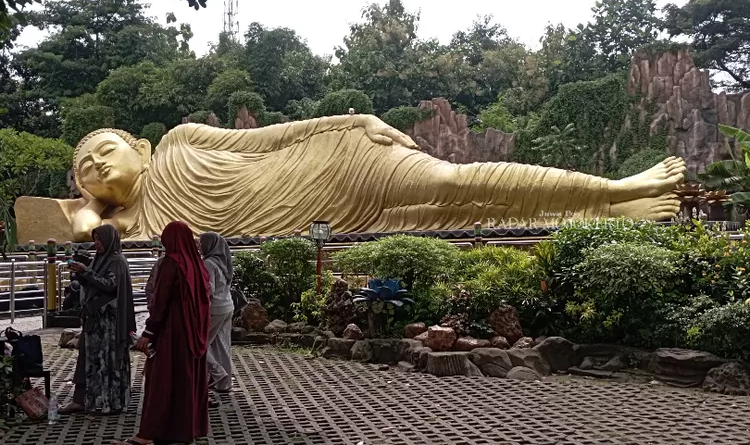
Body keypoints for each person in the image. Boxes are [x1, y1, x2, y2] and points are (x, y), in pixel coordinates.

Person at [16, 115, 686, 244]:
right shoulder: (127, 230)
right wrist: (84, 211)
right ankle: (606, 211)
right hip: (327, 224)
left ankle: (618, 188)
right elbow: (45, 223)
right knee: (444, 216)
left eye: (105, 150)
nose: (98, 166)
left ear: (137, 145)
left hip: (333, 162)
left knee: (452, 182)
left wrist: (354, 122)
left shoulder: (183, 142)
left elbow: (266, 139)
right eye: (85, 169)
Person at [133, 221, 211, 445]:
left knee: (163, 380)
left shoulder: (171, 264)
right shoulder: (198, 265)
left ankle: (150, 433)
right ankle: (187, 428)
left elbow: (160, 302)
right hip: (193, 331)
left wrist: (148, 332)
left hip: (172, 330)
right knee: (186, 379)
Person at [61, 224, 135, 415]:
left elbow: (110, 285)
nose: (96, 243)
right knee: (89, 359)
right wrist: (81, 273)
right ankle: (85, 399)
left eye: (100, 239)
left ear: (109, 240)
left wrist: (86, 272)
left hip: (109, 323)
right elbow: (94, 283)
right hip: (94, 319)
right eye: (95, 239)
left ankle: (112, 400)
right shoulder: (99, 260)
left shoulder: (117, 261)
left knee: (108, 360)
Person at [200, 232, 234, 393]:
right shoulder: (223, 262)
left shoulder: (208, 263)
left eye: (201, 243)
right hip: (228, 306)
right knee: (222, 345)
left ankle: (218, 373)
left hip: (215, 308)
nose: (199, 246)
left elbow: (209, 289)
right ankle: (225, 383)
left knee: (199, 343)